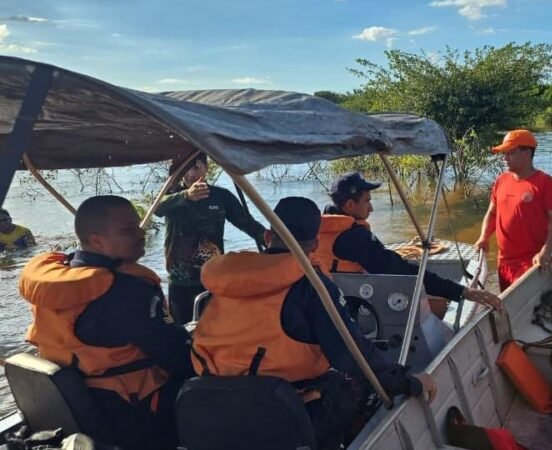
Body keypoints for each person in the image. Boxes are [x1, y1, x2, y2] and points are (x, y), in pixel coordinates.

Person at [191, 196, 436, 450]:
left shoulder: (225, 284)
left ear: (267, 236)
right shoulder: (311, 287)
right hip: (279, 411)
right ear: (316, 244)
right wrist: (408, 381)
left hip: (211, 402)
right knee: (349, 387)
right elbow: (351, 355)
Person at [19, 195, 192, 450]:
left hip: (78, 405)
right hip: (136, 413)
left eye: (138, 225)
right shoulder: (127, 290)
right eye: (128, 230)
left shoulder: (58, 282)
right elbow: (175, 352)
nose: (141, 233)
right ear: (96, 240)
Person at [315, 172, 502, 316]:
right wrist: (460, 291)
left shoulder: (319, 230)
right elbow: (401, 270)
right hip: (356, 307)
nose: (371, 208)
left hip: (332, 304)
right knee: (439, 306)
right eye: (367, 201)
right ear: (349, 205)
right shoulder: (355, 239)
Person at [154, 153, 266, 325]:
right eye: (186, 170)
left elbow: (247, 224)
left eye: (196, 167)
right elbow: (156, 209)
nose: (191, 175)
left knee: (214, 327)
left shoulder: (221, 196)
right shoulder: (173, 195)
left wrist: (274, 241)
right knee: (181, 331)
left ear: (206, 168)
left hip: (212, 277)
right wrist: (186, 196)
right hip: (180, 280)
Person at [474, 129, 552, 291]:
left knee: (522, 308)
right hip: (503, 261)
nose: (505, 158)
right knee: (507, 307)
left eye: (511, 153)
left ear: (527, 153)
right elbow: (492, 213)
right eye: (504, 153)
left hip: (530, 262)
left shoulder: (545, 183)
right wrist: (484, 237)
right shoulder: (501, 180)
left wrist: (545, 253)